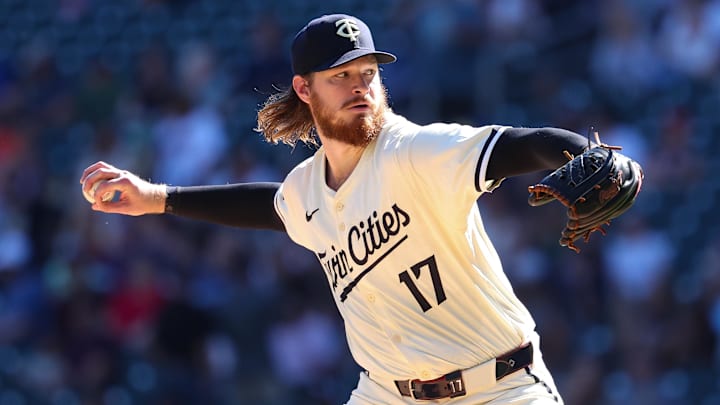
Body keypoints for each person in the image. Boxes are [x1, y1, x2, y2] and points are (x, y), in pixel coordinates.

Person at [80, 13, 629, 404]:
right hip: (387, 393)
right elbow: (271, 206)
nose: (359, 86)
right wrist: (157, 198)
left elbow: (522, 143)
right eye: (340, 76)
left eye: (367, 72)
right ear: (304, 88)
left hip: (499, 388)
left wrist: (581, 152)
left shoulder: (415, 150)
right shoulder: (307, 191)